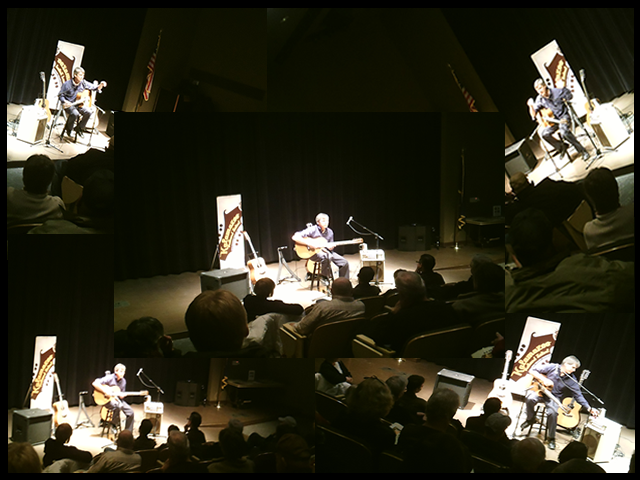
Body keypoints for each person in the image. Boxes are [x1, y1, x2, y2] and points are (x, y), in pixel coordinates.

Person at [520, 356, 598, 450]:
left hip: (554, 398)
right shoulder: (552, 367)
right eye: (573, 367)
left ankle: (551, 438)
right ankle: (530, 419)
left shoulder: (571, 379)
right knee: (530, 398)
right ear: (566, 364)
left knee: (553, 413)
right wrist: (544, 380)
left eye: (575, 369)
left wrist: (589, 408)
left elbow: (578, 395)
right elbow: (532, 370)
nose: (574, 370)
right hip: (541, 392)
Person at [527, 78, 589, 161]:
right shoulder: (540, 99)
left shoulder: (556, 92)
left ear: (545, 86)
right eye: (537, 90)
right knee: (544, 134)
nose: (539, 91)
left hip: (563, 117)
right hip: (554, 120)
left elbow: (570, 96)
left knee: (564, 133)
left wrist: (563, 88)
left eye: (540, 88)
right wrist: (531, 106)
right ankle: (561, 146)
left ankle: (583, 151)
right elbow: (533, 115)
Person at [292, 213, 350, 280]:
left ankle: (343, 281)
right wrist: (309, 244)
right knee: (327, 257)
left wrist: (331, 247)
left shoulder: (330, 232)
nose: (326, 223)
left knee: (344, 262)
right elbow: (295, 237)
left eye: (327, 221)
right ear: (318, 222)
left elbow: (330, 248)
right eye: (323, 221)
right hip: (314, 253)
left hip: (326, 252)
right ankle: (324, 277)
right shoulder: (313, 229)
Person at [58, 67, 107, 140]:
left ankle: (79, 128)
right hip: (69, 105)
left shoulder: (83, 83)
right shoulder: (67, 84)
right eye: (80, 75)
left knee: (89, 112)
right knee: (75, 113)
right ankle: (69, 129)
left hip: (78, 105)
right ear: (75, 75)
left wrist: (101, 85)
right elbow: (60, 95)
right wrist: (65, 101)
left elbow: (95, 87)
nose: (82, 77)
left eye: (83, 75)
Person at [92, 363, 136, 432]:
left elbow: (120, 395)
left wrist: (122, 395)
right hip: (107, 400)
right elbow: (95, 383)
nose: (123, 373)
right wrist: (105, 391)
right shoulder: (110, 378)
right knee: (117, 406)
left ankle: (128, 432)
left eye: (124, 371)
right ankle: (114, 424)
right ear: (116, 371)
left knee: (131, 412)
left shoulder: (123, 381)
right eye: (121, 371)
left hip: (117, 400)